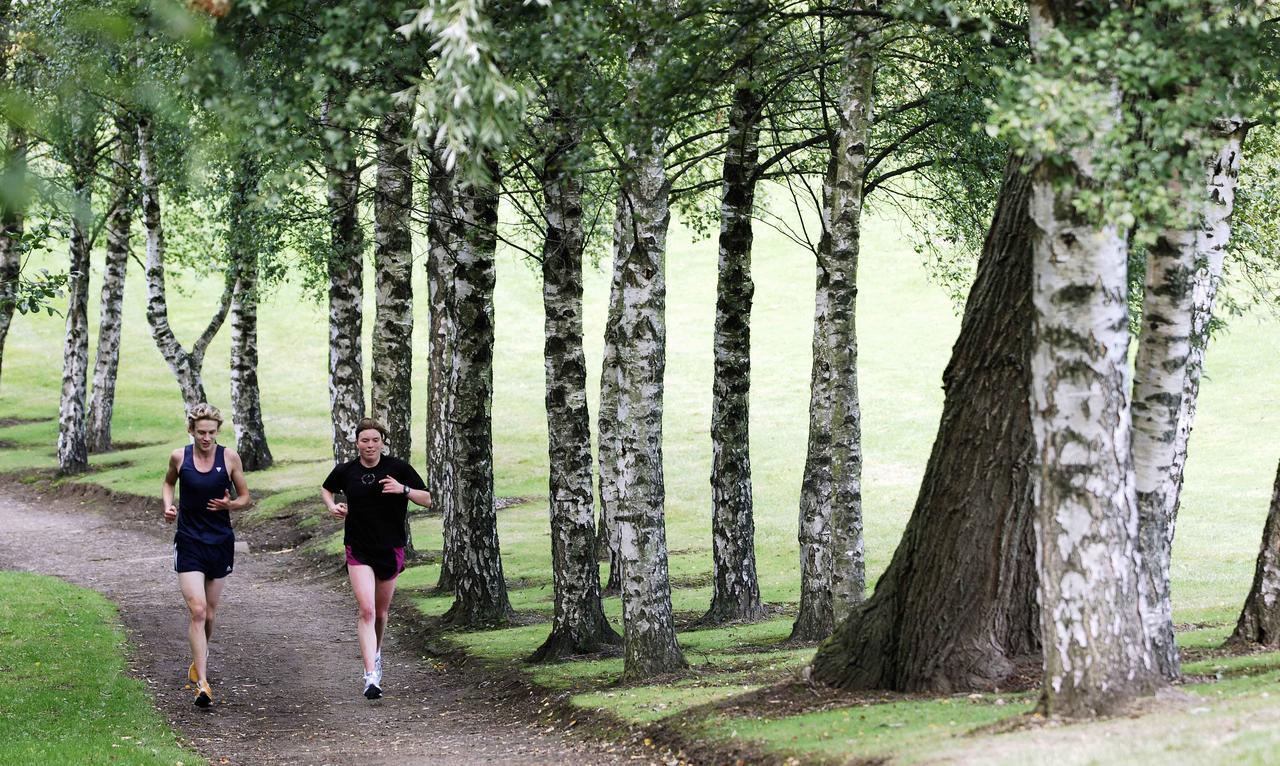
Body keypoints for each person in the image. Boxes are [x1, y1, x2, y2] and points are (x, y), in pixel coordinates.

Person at [321, 418, 431, 700]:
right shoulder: (346, 471)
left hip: (390, 547)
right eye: (364, 440)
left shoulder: (398, 469)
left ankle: (377, 653)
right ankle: (370, 675)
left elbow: (428, 499)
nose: (370, 445)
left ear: (382, 442)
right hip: (358, 547)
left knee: (380, 614)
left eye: (375, 440)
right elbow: (327, 488)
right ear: (356, 443)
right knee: (367, 610)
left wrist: (403, 490)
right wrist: (333, 506)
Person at [162, 403, 251, 708]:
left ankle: (199, 659)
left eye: (211, 432)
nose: (206, 438)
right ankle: (202, 682)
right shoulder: (179, 457)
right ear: (191, 431)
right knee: (198, 611)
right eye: (201, 432)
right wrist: (168, 506)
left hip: (220, 541)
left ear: (217, 431)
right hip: (189, 541)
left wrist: (230, 506)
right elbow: (168, 483)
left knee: (210, 614)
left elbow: (245, 497)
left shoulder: (229, 457)